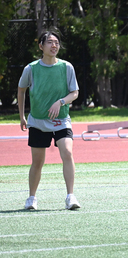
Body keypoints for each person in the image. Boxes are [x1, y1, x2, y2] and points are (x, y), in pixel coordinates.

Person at [18, 30, 81, 210]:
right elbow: (21, 90)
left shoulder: (66, 67)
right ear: (41, 46)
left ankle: (70, 196)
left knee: (67, 153)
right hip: (38, 121)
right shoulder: (31, 69)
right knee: (37, 161)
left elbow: (74, 93)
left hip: (61, 120)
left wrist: (60, 102)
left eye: (57, 42)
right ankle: (32, 198)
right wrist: (22, 115)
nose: (54, 45)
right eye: (50, 42)